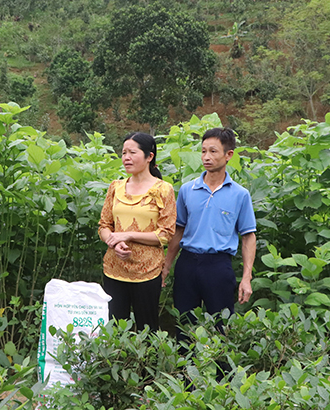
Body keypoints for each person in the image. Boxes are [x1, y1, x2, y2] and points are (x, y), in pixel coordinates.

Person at [162, 127, 256, 342]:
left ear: (228, 155)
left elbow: (248, 236)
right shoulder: (187, 190)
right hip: (187, 264)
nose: (206, 157)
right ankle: (184, 374)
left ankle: (222, 374)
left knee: (222, 328)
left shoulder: (240, 194)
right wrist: (167, 265)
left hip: (218, 266)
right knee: (184, 326)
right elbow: (179, 230)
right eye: (203, 151)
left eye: (213, 151)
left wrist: (246, 278)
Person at [98, 132, 177, 331]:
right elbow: (104, 226)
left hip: (147, 272)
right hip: (114, 270)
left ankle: (147, 363)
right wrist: (115, 242)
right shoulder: (115, 187)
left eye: (132, 152)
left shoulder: (164, 190)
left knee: (147, 329)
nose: (126, 157)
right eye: (124, 153)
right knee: (114, 328)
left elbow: (166, 234)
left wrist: (129, 235)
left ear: (149, 157)